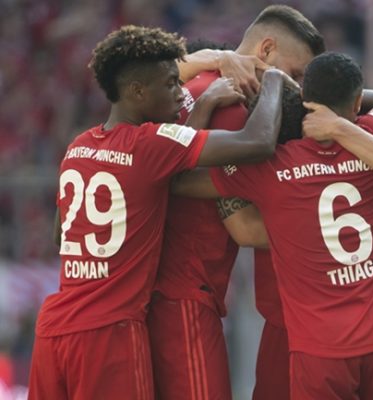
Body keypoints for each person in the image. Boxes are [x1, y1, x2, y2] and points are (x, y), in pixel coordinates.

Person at [27, 25, 291, 400]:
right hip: (111, 331)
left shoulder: (78, 146)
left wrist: (203, 105)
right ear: (137, 92)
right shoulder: (148, 143)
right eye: (170, 84)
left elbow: (60, 235)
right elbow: (258, 142)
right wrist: (276, 80)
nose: (180, 92)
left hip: (54, 326)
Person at [172, 51, 373, 399]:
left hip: (321, 349)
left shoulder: (272, 168)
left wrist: (206, 107)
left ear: (306, 99)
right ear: (356, 103)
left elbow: (180, 180)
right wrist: (339, 117)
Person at [147, 5, 325, 400]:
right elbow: (244, 228)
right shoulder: (235, 111)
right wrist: (333, 230)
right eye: (295, 74)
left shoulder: (191, 86)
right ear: (266, 50)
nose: (297, 89)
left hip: (158, 289)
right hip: (184, 293)